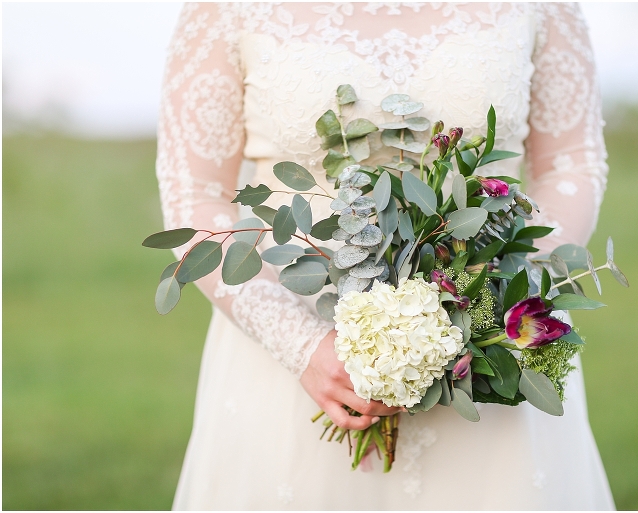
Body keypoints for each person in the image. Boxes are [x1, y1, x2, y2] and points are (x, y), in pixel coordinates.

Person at [156, 2, 614, 509]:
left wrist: (496, 296)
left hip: (485, 355)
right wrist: (301, 346)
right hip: (293, 353)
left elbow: (571, 163)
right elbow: (195, 194)